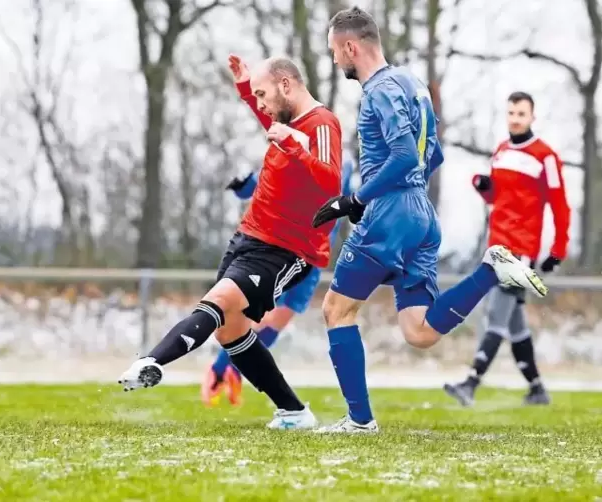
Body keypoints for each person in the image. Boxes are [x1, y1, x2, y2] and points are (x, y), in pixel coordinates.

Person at [311, 6, 549, 434]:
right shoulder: (413, 83)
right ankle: (490, 271)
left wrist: (356, 199)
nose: (333, 59)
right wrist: (400, 194)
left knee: (336, 309)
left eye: (334, 51)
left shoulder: (378, 89)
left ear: (351, 46)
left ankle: (360, 421)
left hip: (391, 215)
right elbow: (430, 154)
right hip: (421, 213)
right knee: (419, 332)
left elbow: (402, 155)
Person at [119, 55, 343, 430]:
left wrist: (295, 147)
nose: (261, 104)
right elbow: (272, 126)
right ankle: (293, 412)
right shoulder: (285, 122)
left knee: (219, 302)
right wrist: (243, 87)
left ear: (286, 85)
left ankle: (152, 361)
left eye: (262, 94)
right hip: (248, 237)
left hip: (286, 248)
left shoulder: (322, 123)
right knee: (229, 329)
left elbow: (331, 185)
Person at [443, 91, 570, 407]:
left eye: (521, 114)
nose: (515, 119)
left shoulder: (546, 157)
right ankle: (538, 389)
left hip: (520, 250)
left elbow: (560, 206)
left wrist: (558, 250)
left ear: (532, 117)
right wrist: (485, 189)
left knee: (496, 315)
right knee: (514, 325)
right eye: (511, 113)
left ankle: (471, 383)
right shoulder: (500, 151)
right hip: (496, 245)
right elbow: (498, 198)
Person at [202, 158, 354, 407]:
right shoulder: (300, 153)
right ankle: (222, 369)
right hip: (286, 245)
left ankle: (231, 369)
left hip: (317, 253)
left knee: (279, 318)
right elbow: (268, 179)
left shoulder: (346, 164)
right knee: (261, 316)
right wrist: (244, 184)